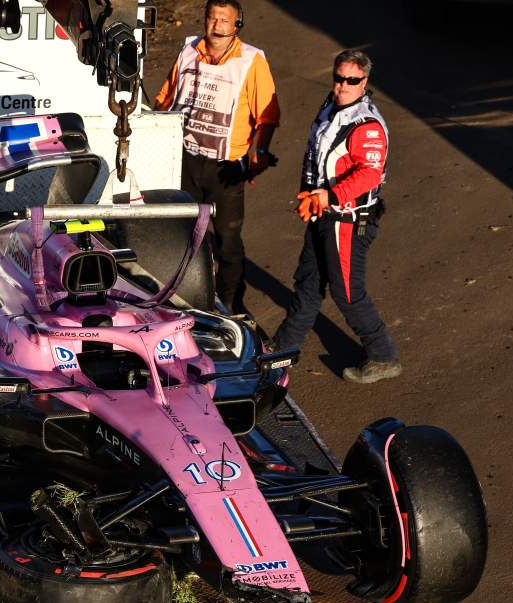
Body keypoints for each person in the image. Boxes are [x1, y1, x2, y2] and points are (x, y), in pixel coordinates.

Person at [273, 49, 401, 384]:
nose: (343, 85)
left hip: (348, 219)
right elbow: (314, 155)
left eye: (352, 81)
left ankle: (384, 356)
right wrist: (311, 195)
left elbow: (369, 173)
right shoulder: (331, 105)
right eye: (339, 77)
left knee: (347, 292)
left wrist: (329, 195)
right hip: (323, 213)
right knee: (308, 282)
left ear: (365, 83)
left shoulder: (368, 125)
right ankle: (284, 348)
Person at [155, 0, 279, 314]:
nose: (217, 25)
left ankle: (231, 302)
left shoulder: (251, 61)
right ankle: (185, 297)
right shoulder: (188, 51)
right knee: (181, 232)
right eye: (212, 17)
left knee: (227, 238)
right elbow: (165, 99)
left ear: (237, 25)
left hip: (226, 167)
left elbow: (267, 115)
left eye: (225, 20)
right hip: (187, 158)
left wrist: (260, 152)